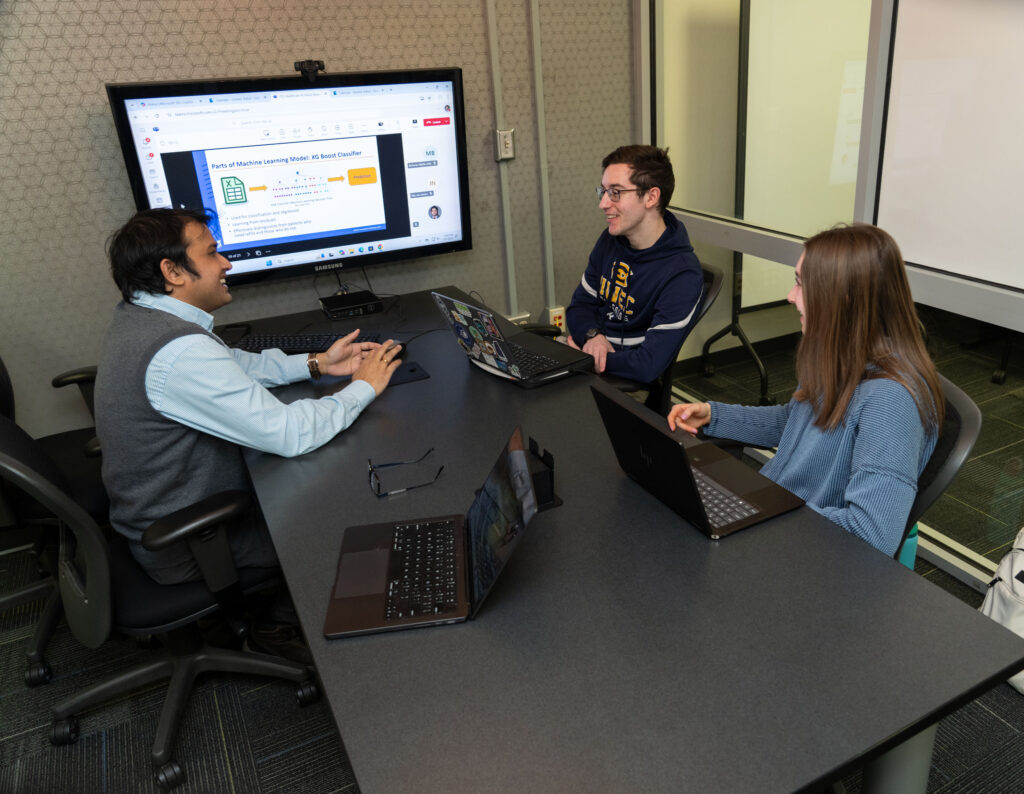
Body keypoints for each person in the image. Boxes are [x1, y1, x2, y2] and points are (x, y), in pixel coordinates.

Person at [94, 208, 402, 657]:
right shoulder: (178, 353)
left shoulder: (144, 317)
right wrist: (362, 388)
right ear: (173, 271)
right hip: (191, 541)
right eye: (212, 253)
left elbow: (232, 364)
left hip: (158, 513)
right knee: (349, 513)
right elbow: (289, 434)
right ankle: (278, 625)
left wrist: (317, 363)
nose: (226, 264)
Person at [668, 224, 944, 557]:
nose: (790, 295)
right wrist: (715, 416)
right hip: (773, 518)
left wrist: (770, 511)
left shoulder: (891, 402)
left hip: (801, 548)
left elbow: (872, 534)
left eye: (801, 283)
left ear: (842, 298)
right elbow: (793, 422)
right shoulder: (841, 357)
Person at [566, 144, 703, 383]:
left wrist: (587, 358)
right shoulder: (610, 241)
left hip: (622, 384)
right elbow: (579, 307)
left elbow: (647, 365)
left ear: (651, 197)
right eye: (603, 191)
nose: (603, 203)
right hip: (590, 360)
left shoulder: (683, 274)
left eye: (615, 192)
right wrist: (592, 336)